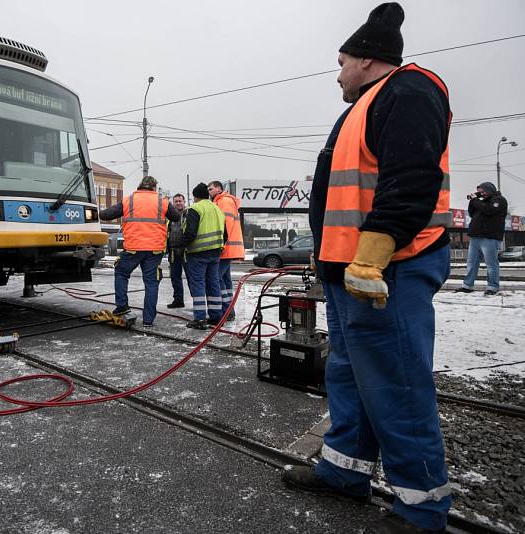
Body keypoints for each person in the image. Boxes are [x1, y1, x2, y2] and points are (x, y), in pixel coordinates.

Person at [282, 4, 453, 533]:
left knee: (395, 384)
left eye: (341, 62)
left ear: (365, 59)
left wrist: (372, 255)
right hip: (348, 270)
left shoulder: (410, 89)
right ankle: (344, 470)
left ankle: (421, 507)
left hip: (386, 269)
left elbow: (411, 177)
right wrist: (328, 257)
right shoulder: (370, 101)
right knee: (350, 375)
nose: (337, 73)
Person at [99, 176, 180, 327]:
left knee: (122, 273)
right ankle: (148, 320)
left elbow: (106, 215)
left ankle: (122, 306)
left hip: (133, 248)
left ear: (140, 186)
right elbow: (176, 217)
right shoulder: (162, 201)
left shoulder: (129, 200)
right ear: (154, 187)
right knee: (151, 283)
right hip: (155, 250)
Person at [170, 183, 225, 330]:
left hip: (198, 253)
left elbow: (190, 233)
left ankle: (200, 318)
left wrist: (180, 245)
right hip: (215, 253)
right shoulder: (217, 208)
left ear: (195, 197)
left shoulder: (195, 209)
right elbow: (225, 234)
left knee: (198, 284)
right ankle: (216, 317)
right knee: (214, 284)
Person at [456, 182, 507, 296]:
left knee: (491, 263)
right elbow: (471, 213)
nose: (482, 194)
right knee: (472, 263)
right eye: (480, 192)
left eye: (483, 191)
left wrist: (475, 200)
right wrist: (472, 200)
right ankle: (467, 285)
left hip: (489, 237)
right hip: (475, 236)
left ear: (490, 190)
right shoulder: (481, 201)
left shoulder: (499, 200)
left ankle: (492, 286)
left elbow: (488, 210)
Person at [208, 181, 245, 320]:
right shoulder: (225, 201)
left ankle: (226, 311)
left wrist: (219, 244)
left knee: (216, 279)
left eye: (211, 189)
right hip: (229, 247)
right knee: (225, 280)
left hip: (226, 247)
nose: (209, 191)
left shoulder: (223, 201)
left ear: (219, 188)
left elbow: (225, 226)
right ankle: (229, 311)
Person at [167, 193, 188, 308]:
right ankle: (178, 300)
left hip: (186, 252)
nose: (178, 203)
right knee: (175, 278)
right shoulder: (169, 216)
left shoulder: (189, 214)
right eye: (176, 201)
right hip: (173, 251)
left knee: (191, 277)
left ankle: (197, 301)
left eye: (180, 201)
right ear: (173, 203)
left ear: (184, 202)